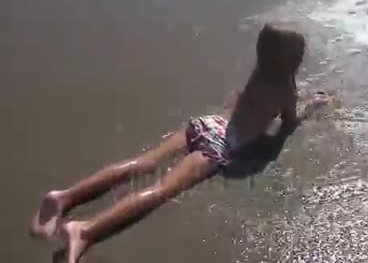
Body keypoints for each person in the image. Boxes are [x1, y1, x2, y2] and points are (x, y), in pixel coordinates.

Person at [29, 23, 326, 263]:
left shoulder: (258, 73)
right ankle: (85, 230)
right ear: (293, 60)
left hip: (208, 124)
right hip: (220, 147)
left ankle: (63, 198)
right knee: (161, 191)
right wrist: (310, 110)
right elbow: (287, 125)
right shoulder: (286, 89)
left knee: (144, 162)